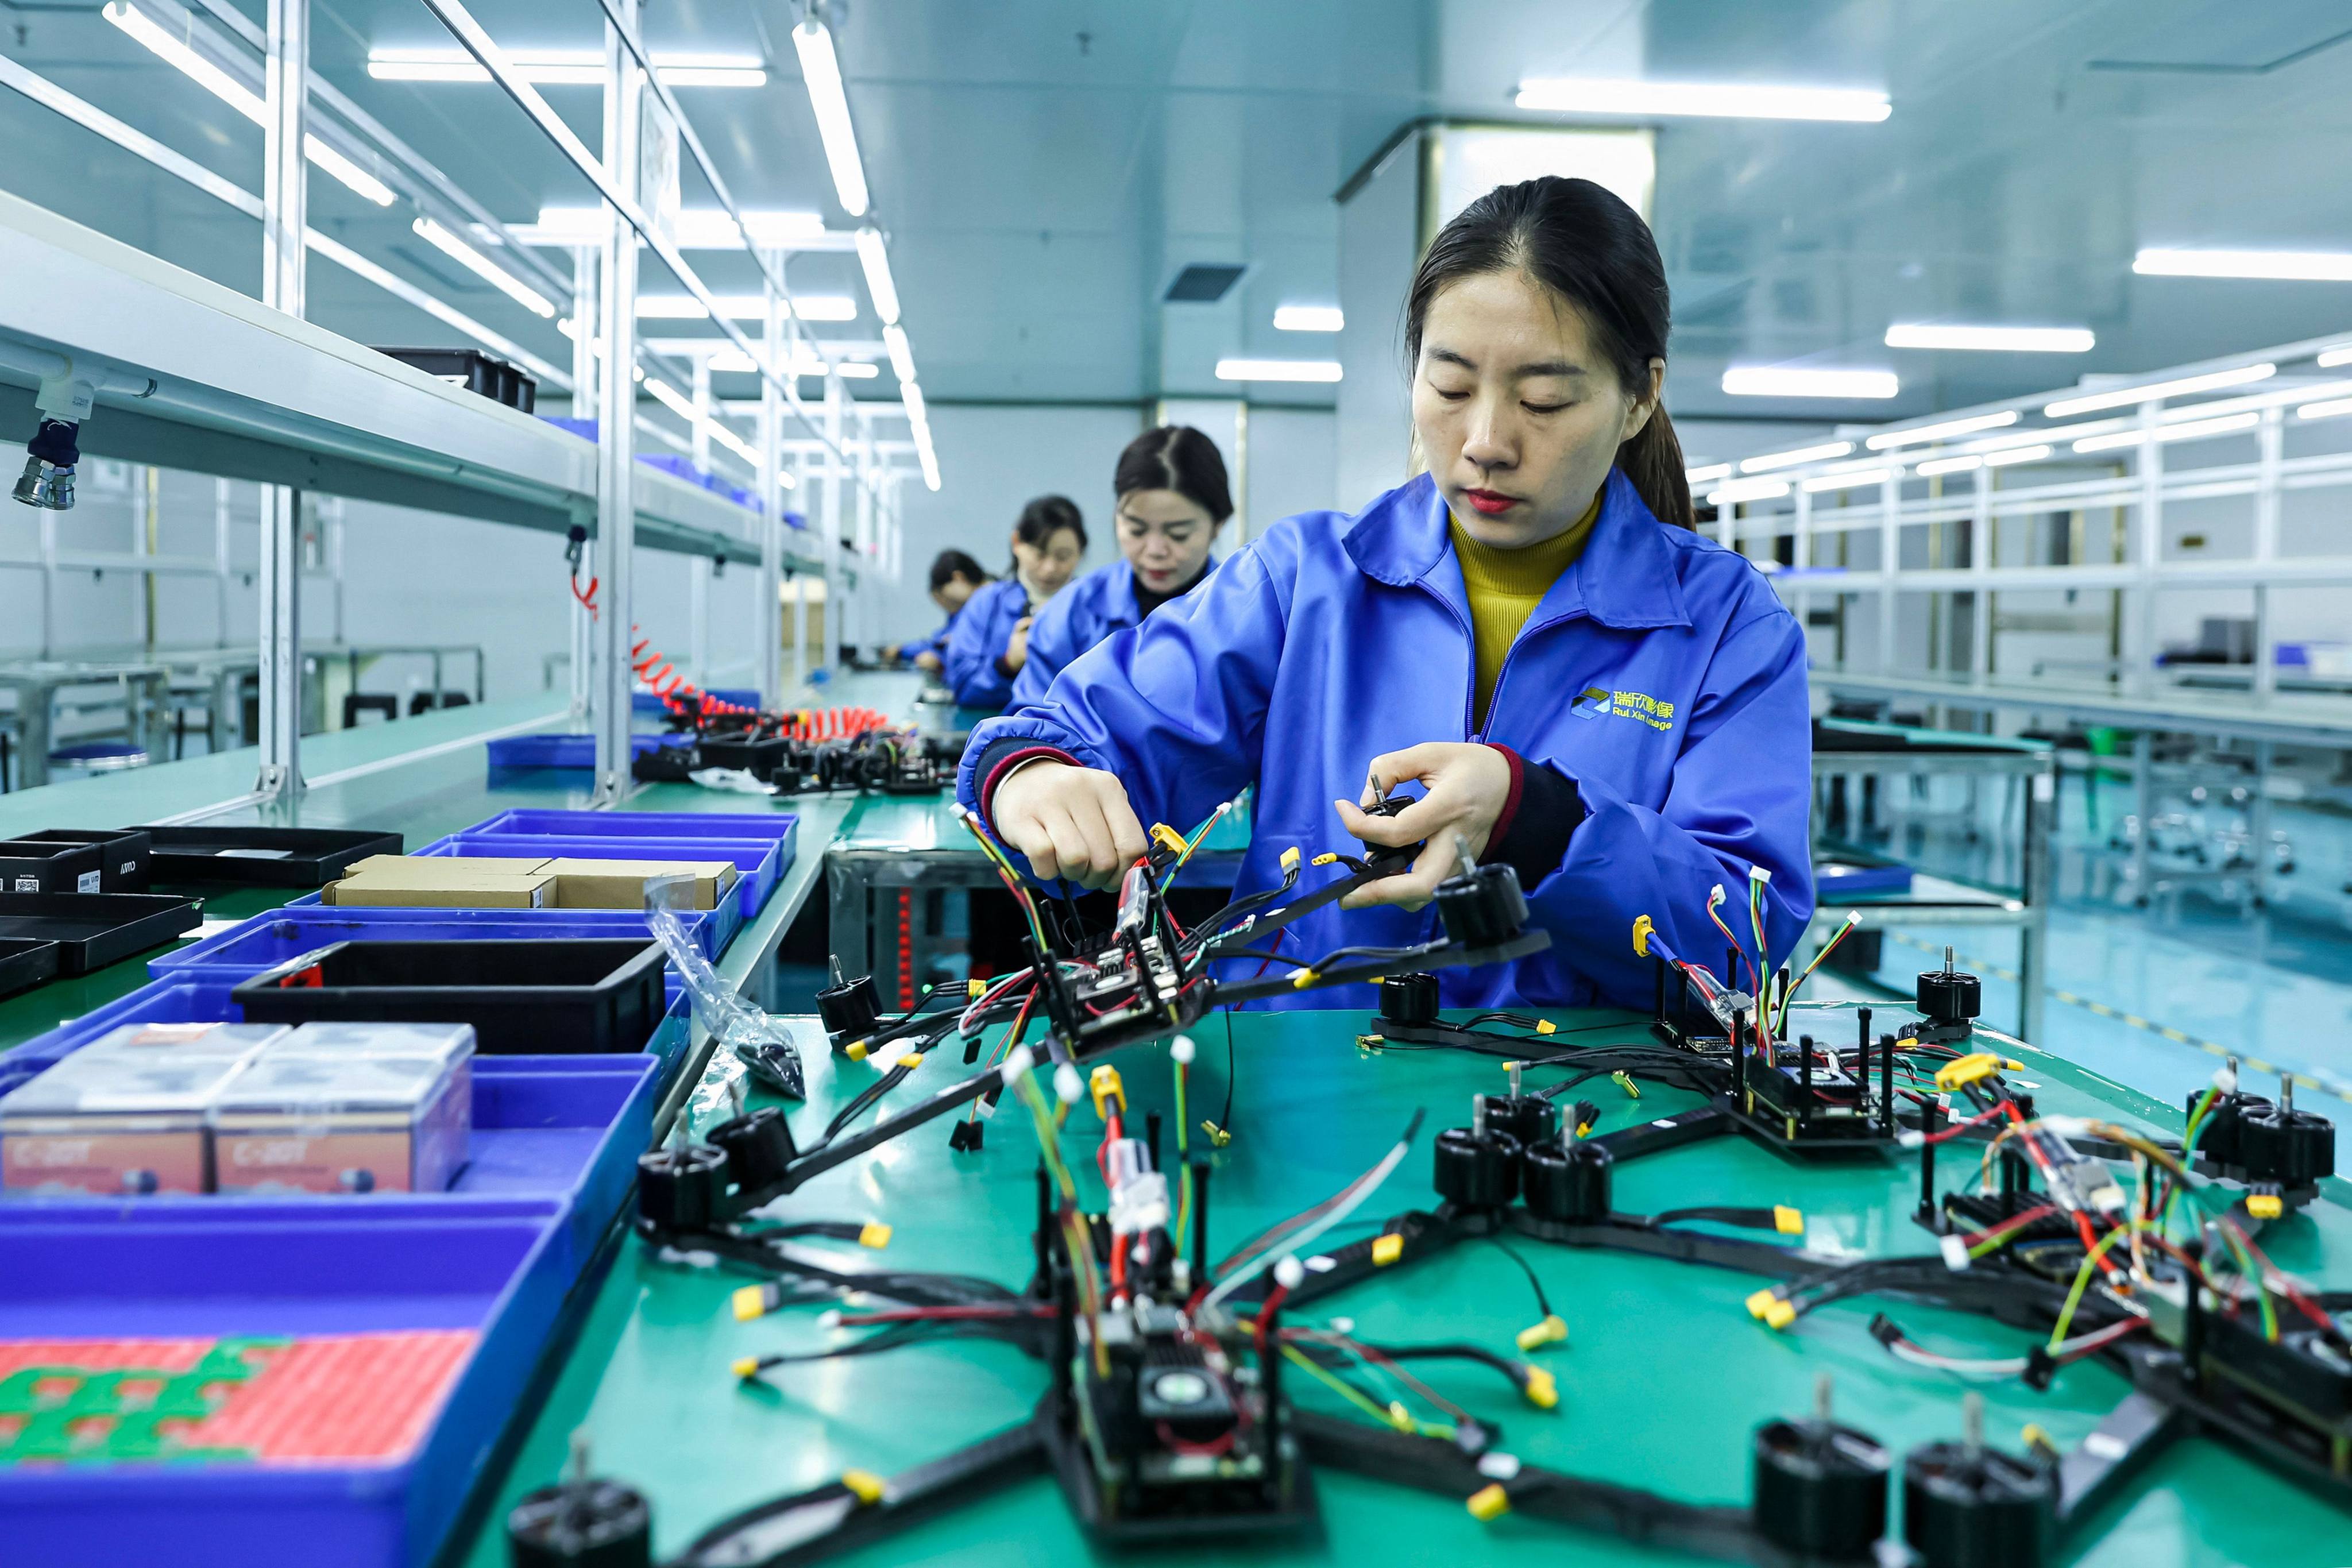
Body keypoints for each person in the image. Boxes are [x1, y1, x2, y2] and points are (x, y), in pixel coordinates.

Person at [956, 175, 1814, 1012]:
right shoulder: (1306, 581)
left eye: (1543, 400)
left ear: (1638, 397)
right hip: (1308, 1114)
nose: (1484, 442)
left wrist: (1539, 819)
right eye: (1448, 387)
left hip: (1578, 1121)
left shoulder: (1724, 624)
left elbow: (1745, 936)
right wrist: (1028, 775)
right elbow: (1072, 730)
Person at [1010, 426, 1232, 708]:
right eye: (1136, 530)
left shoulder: (1246, 613)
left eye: (1178, 535)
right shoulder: (1071, 612)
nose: (1154, 551)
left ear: (1218, 525)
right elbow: (1030, 721)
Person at [944, 495, 1087, 710]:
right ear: (1017, 543)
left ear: (1080, 553)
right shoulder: (987, 604)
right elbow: (963, 689)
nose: (1049, 568)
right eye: (1040, 554)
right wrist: (1007, 664)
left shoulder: (1095, 609)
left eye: (1063, 557)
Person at [898, 549, 990, 674]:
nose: (943, 604)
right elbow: (942, 642)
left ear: (959, 578)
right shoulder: (966, 610)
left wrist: (942, 664)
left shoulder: (992, 605)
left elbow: (979, 658)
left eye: (942, 595)